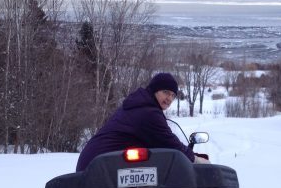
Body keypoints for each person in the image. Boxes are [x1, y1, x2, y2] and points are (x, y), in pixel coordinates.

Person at [76, 73, 208, 171]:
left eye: (173, 95)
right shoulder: (148, 112)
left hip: (95, 163)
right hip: (95, 168)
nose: (169, 98)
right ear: (155, 90)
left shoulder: (139, 105)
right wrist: (196, 160)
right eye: (165, 92)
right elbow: (170, 143)